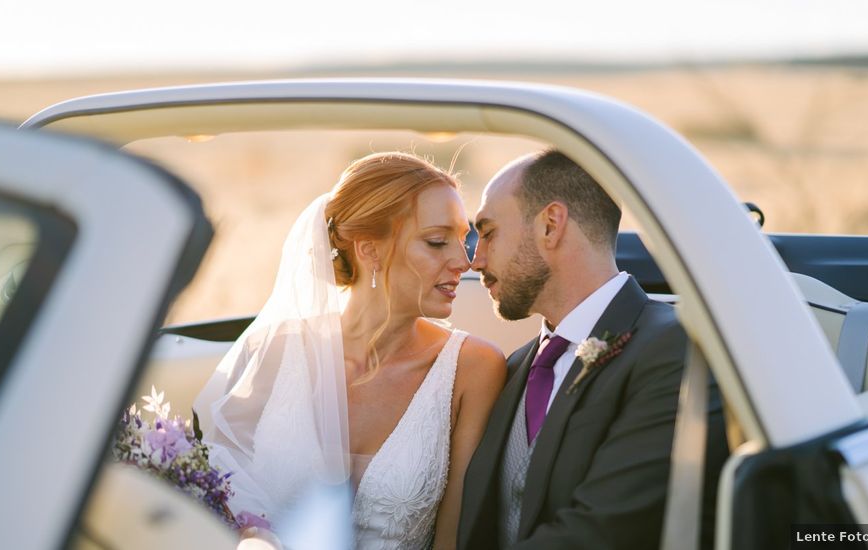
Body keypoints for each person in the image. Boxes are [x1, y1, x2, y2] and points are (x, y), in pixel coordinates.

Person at [194, 152, 507, 549]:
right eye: (436, 241)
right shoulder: (277, 349)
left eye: (464, 240)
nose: (463, 262)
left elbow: (455, 539)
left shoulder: (472, 368)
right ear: (369, 250)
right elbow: (217, 487)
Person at [458, 150, 729, 549]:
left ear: (550, 226)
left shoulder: (675, 349)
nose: (475, 260)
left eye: (489, 232)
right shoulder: (515, 367)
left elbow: (605, 533)